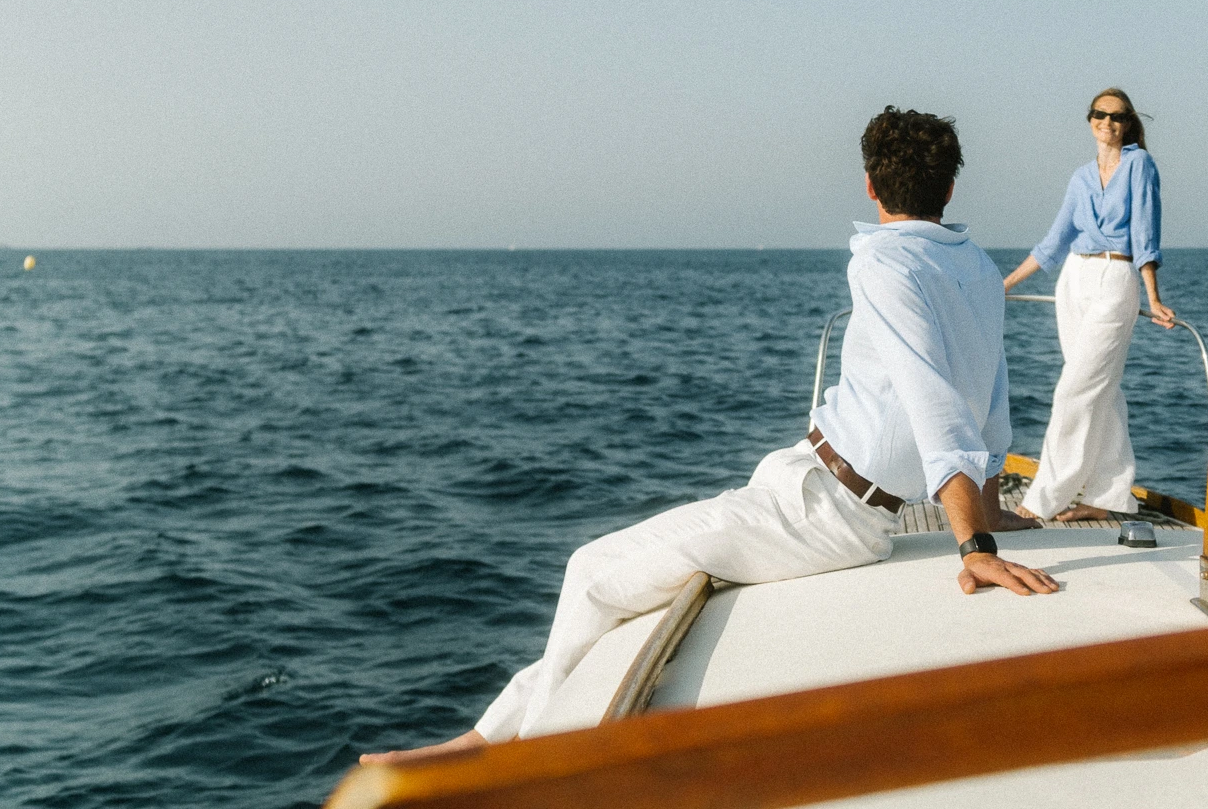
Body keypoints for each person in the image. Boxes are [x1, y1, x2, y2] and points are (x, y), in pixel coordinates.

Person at [361, 106, 1057, 766]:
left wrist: (976, 544)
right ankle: (479, 741)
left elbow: (937, 404)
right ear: (950, 187)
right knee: (620, 583)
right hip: (807, 485)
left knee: (589, 573)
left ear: (870, 184)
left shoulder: (882, 261)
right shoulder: (975, 268)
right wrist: (991, 510)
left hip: (824, 512)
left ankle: (528, 773)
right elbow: (987, 405)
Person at [1001, 88, 1174, 523]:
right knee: (1102, 390)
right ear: (1090, 119)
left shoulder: (1139, 166)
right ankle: (1111, 495)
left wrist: (1152, 296)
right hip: (1073, 280)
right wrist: (1002, 284)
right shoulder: (1080, 177)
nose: (1108, 122)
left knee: (1074, 389)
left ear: (1128, 123)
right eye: (1100, 114)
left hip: (1117, 278)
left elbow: (1145, 233)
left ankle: (1043, 497)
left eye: (1117, 117)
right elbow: (1054, 240)